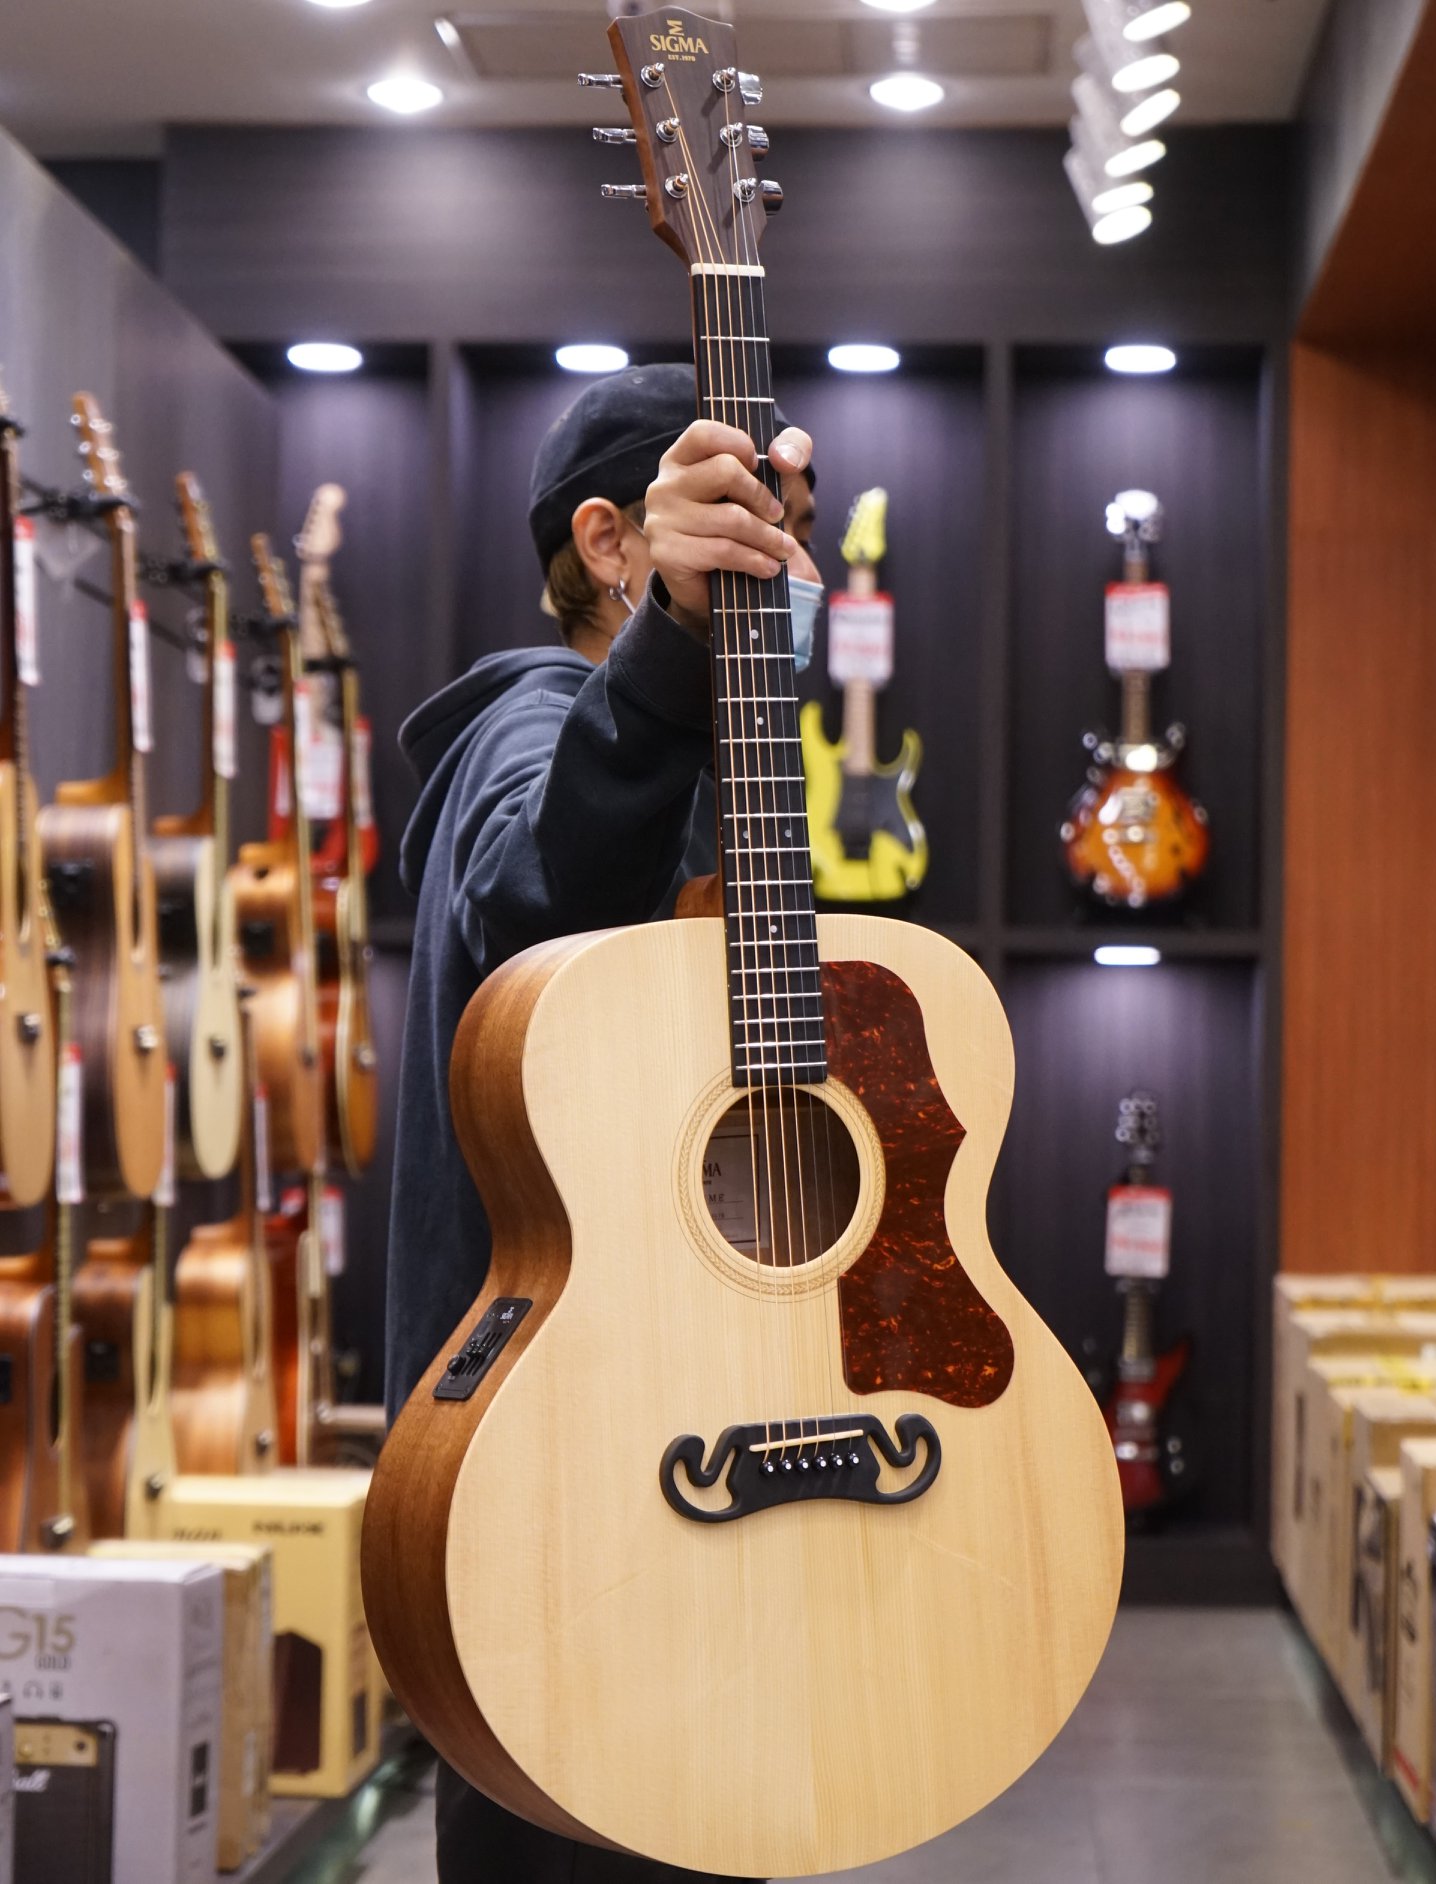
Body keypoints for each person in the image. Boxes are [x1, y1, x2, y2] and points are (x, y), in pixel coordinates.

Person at [384, 362, 820, 1883]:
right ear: (610, 540)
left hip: (680, 1433)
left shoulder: (704, 763)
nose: (777, 560)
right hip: (558, 1460)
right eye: (734, 523)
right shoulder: (533, 727)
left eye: (782, 523)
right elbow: (539, 914)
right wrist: (672, 654)